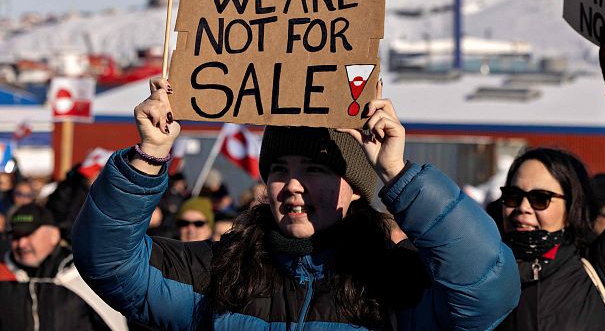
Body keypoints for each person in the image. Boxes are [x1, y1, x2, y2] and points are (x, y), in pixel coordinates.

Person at [72, 78, 519, 330]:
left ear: (356, 187)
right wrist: (149, 156)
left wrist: (398, 174)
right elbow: (109, 265)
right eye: (279, 169)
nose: (293, 185)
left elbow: (486, 290)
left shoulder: (398, 282)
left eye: (316, 170)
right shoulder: (217, 272)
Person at [493, 42, 605, 330]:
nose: (523, 209)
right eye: (514, 197)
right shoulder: (478, 273)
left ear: (571, 209)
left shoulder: (602, 269)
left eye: (540, 198)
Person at [0, 204, 126, 331]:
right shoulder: (4, 276)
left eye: (28, 234)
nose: (22, 244)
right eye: (16, 236)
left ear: (54, 235)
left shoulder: (86, 275)